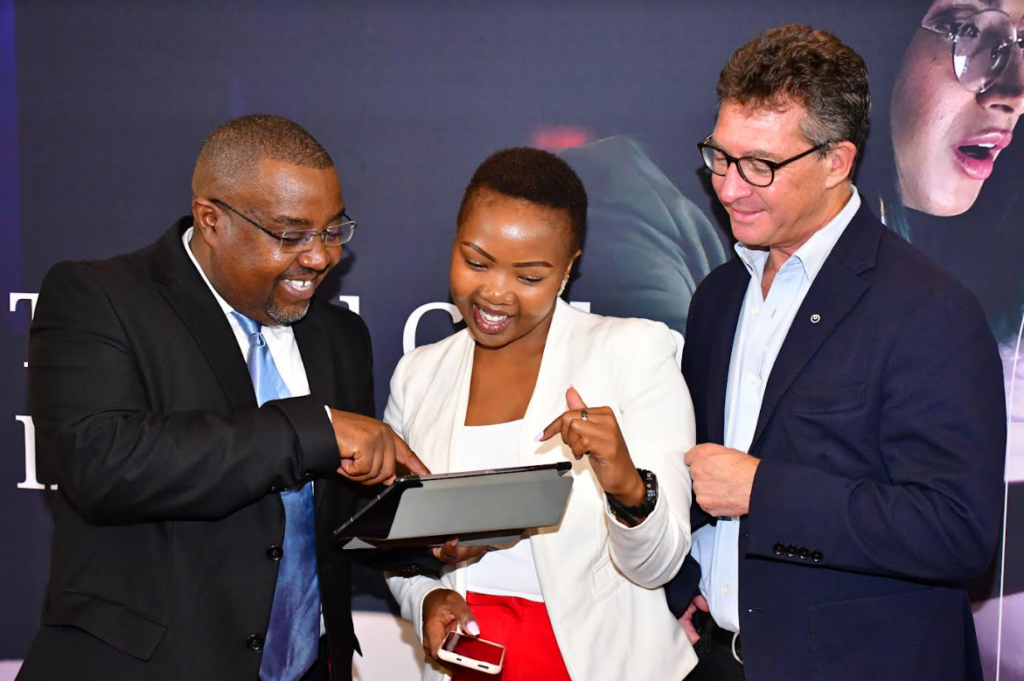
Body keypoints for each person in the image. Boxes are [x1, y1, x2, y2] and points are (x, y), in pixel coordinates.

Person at [17, 114, 429, 681]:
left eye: (333, 230)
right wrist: (315, 430)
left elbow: (324, 517)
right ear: (211, 220)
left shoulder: (338, 335)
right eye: (291, 235)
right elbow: (100, 463)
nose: (319, 257)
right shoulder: (97, 296)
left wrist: (423, 541)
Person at [673, 25, 1006, 681]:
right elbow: (703, 483)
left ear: (836, 161)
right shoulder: (718, 296)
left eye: (760, 166)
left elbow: (958, 529)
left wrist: (763, 489)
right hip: (722, 661)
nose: (730, 187)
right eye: (720, 155)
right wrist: (683, 583)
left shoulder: (929, 309)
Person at [384, 147, 697, 681]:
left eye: (529, 276)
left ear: (569, 268)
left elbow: (657, 567)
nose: (495, 293)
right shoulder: (418, 374)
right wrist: (427, 597)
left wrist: (626, 484)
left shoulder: (633, 352)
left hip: (602, 664)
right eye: (476, 261)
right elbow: (397, 543)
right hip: (472, 661)